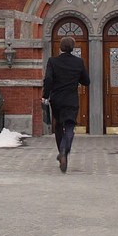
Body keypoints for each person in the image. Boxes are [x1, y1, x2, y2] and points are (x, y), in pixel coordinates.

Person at [42, 36, 90, 173]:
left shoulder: (53, 61)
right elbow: (86, 81)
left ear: (60, 47)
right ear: (73, 48)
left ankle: (61, 152)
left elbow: (48, 79)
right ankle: (65, 150)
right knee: (69, 125)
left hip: (56, 99)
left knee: (58, 126)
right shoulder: (78, 62)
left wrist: (45, 95)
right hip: (71, 99)